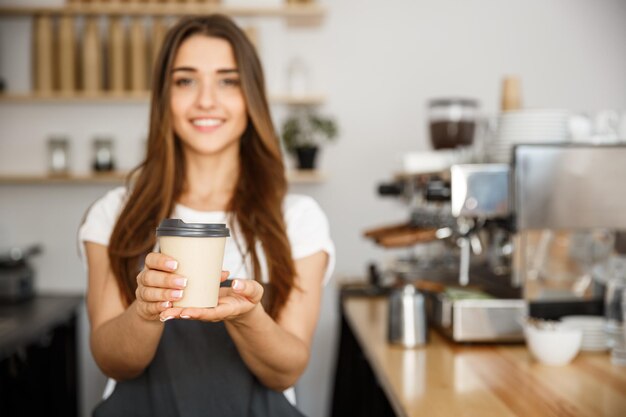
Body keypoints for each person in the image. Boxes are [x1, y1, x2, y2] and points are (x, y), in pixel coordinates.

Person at [79, 14, 334, 417]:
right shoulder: (115, 213)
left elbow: (287, 370)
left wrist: (249, 317)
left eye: (228, 80)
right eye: (185, 80)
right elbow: (113, 361)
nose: (207, 100)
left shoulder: (298, 218)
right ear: (164, 96)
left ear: (251, 95)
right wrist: (146, 311)